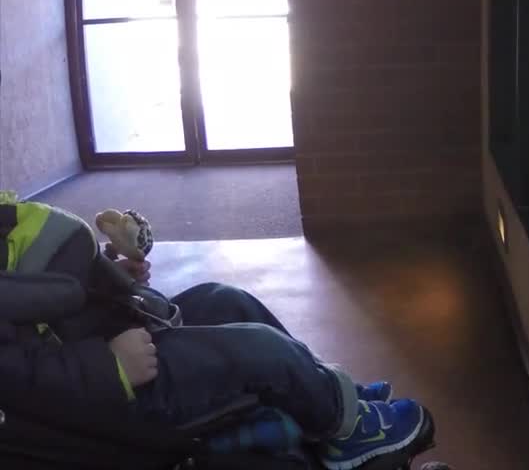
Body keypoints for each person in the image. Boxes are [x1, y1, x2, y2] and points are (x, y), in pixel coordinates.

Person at [0, 201, 431, 470]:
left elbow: (37, 291)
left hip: (96, 334)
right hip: (100, 396)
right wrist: (107, 369)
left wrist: (111, 279)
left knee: (226, 300)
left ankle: (331, 398)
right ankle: (349, 430)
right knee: (258, 350)